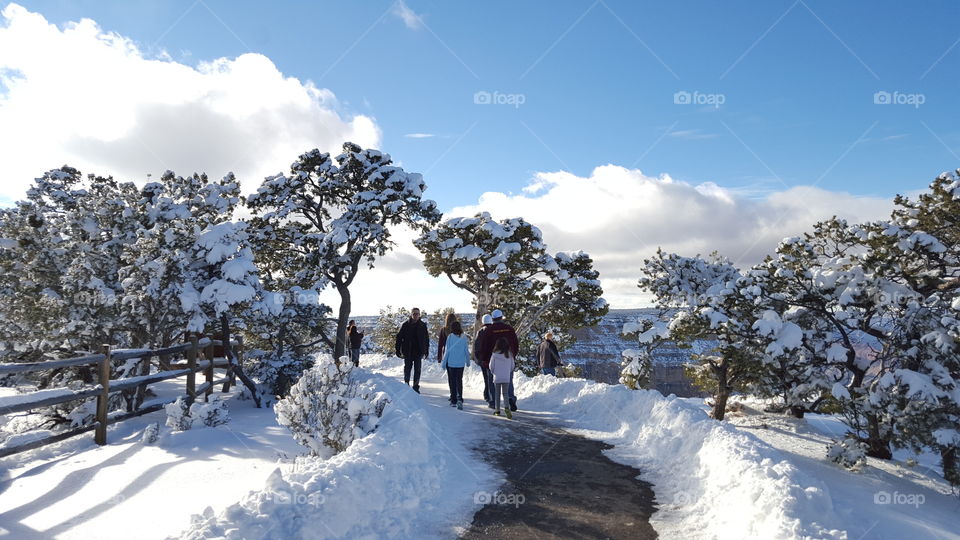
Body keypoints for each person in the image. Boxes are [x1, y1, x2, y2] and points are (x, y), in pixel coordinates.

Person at [479, 309, 519, 411]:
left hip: (492, 359)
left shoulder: (489, 331)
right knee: (508, 380)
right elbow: (516, 344)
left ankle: (493, 401)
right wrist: (512, 356)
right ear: (501, 318)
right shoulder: (509, 329)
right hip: (507, 358)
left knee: (492, 381)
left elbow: (484, 346)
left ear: (493, 319)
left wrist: (484, 359)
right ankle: (510, 398)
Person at [395, 307, 429, 393]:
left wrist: (426, 351)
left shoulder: (422, 325)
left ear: (419, 315)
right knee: (407, 369)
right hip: (408, 351)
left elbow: (426, 339)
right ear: (411, 314)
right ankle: (406, 385)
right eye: (414, 314)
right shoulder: (405, 325)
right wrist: (397, 349)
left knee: (417, 370)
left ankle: (415, 387)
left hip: (419, 351)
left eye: (417, 314)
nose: (416, 315)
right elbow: (399, 337)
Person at [440, 320, 469, 410]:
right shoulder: (464, 337)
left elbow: (447, 351)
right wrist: (468, 361)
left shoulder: (450, 337)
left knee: (452, 381)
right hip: (460, 363)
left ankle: (453, 400)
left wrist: (444, 363)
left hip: (451, 363)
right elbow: (466, 350)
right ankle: (460, 398)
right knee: (459, 381)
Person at [489, 337, 515, 419]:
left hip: (497, 377)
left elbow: (491, 366)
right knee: (505, 393)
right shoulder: (509, 354)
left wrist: (493, 372)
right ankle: (507, 408)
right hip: (506, 377)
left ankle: (497, 410)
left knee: (497, 394)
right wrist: (508, 372)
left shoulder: (494, 355)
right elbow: (512, 366)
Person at [474, 314, 495, 408]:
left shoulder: (480, 332)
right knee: (492, 379)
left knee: (487, 379)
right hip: (495, 358)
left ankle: (489, 396)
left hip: (484, 359)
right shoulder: (494, 330)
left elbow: (477, 346)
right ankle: (491, 395)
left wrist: (479, 359)